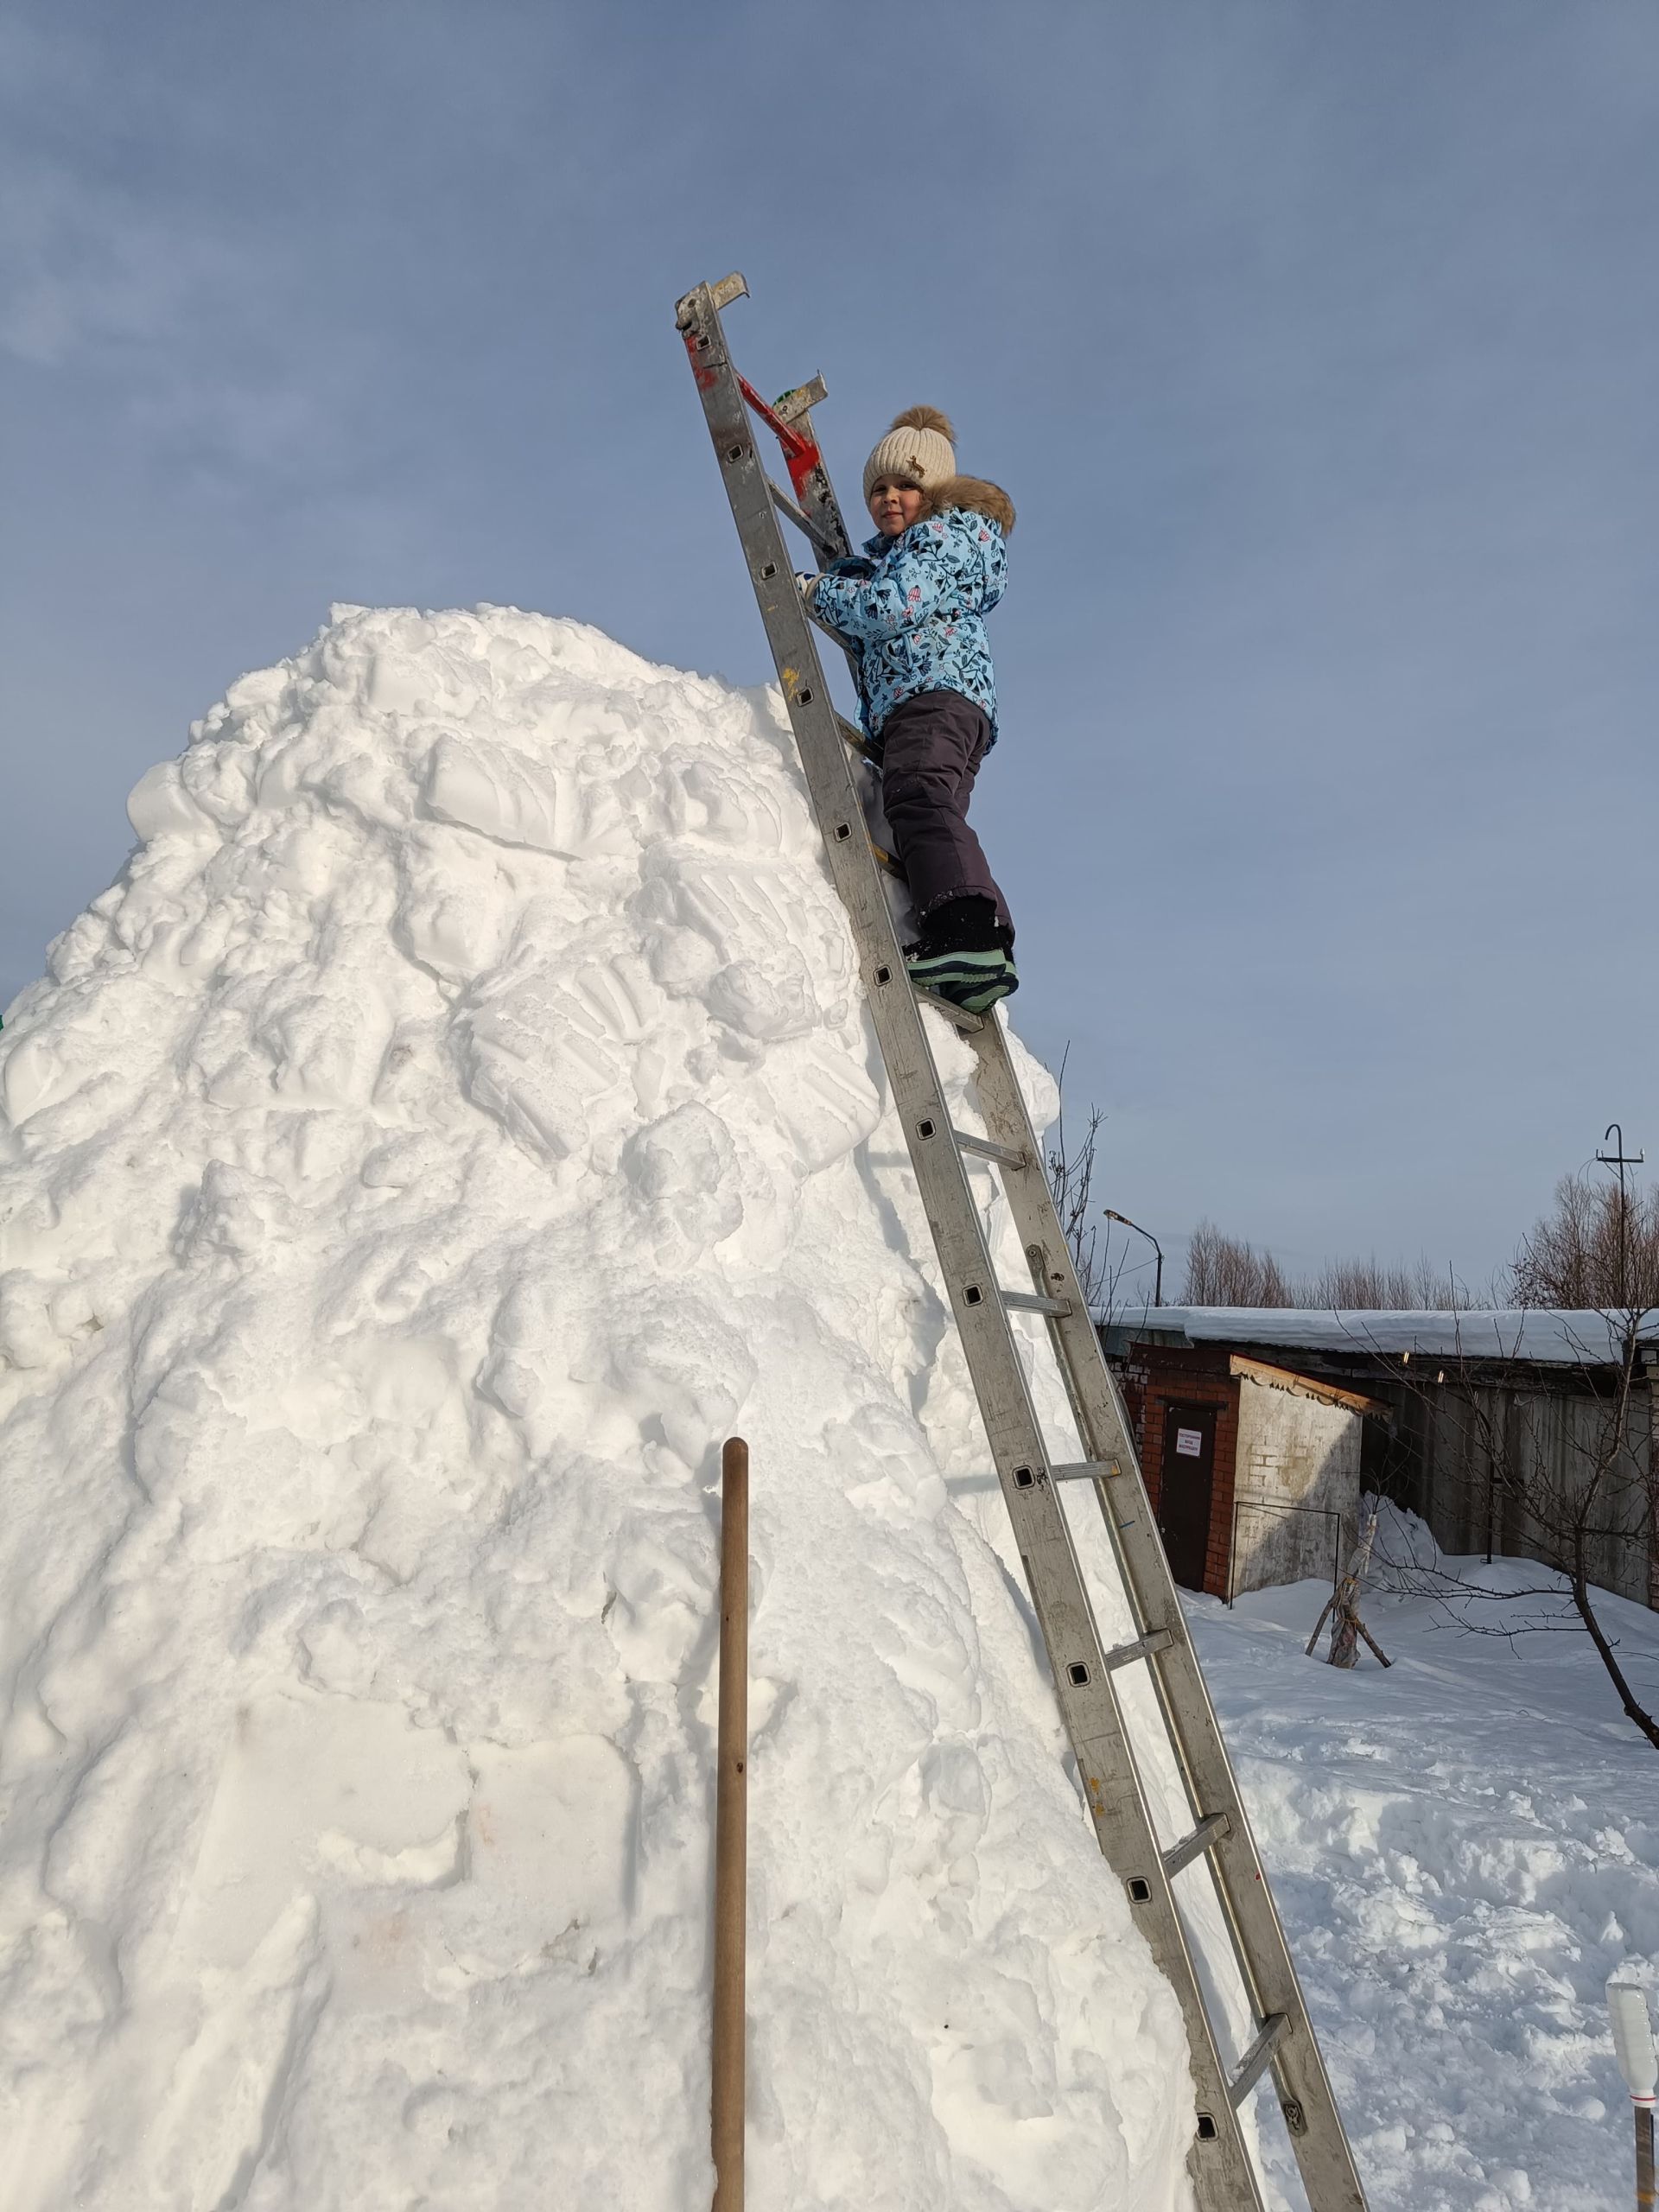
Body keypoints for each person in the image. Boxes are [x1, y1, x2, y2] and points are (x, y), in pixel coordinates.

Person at [803, 407, 1017, 1014]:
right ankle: (965, 942)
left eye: (905, 486)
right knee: (929, 815)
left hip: (932, 694)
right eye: (878, 489)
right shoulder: (930, 546)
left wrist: (822, 591)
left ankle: (971, 930)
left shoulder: (939, 537)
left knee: (919, 796)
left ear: (936, 491)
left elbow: (891, 608)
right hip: (944, 703)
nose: (889, 499)